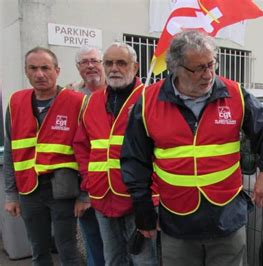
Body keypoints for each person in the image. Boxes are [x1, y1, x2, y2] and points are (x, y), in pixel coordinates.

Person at [121, 30, 263, 266]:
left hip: (226, 218)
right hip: (177, 220)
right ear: (177, 69)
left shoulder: (235, 95)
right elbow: (134, 160)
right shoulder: (148, 102)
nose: (209, 74)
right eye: (199, 68)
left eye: (211, 64)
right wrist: (143, 211)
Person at [73, 42, 160, 266]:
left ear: (136, 67)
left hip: (139, 198)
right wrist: (89, 180)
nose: (114, 68)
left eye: (121, 63)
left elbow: (165, 148)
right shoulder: (92, 101)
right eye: (109, 62)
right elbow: (82, 145)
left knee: (144, 260)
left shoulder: (150, 99)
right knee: (113, 260)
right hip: (102, 195)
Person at [3, 47, 84, 265]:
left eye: (45, 68)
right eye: (33, 68)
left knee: (67, 249)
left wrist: (84, 195)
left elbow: (88, 152)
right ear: (26, 72)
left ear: (57, 70)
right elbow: (10, 151)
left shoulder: (77, 102)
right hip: (28, 189)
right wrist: (10, 195)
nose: (40, 74)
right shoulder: (15, 102)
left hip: (62, 190)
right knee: (38, 250)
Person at [71, 45, 106, 266]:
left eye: (95, 60)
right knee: (93, 241)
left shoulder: (118, 93)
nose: (91, 65)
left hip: (113, 186)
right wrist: (82, 192)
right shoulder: (71, 97)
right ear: (78, 68)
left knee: (121, 244)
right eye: (85, 62)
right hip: (84, 184)